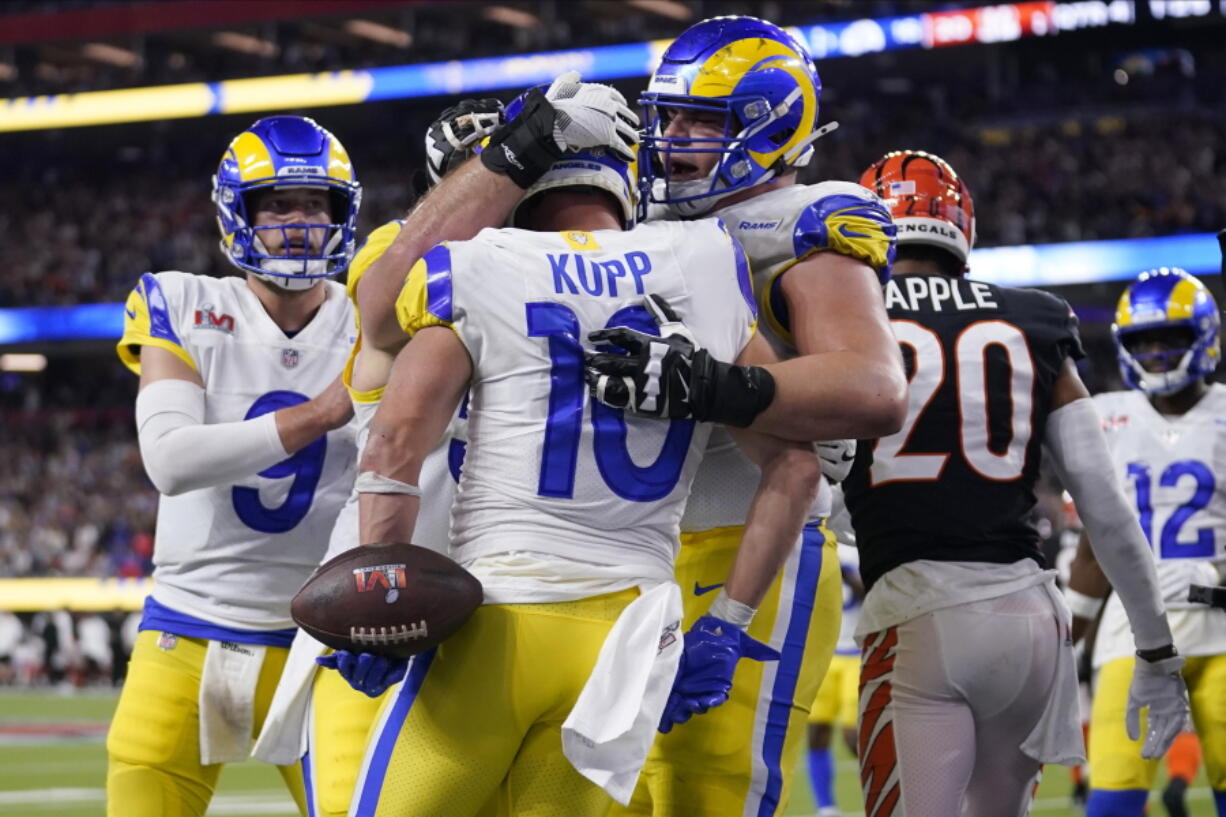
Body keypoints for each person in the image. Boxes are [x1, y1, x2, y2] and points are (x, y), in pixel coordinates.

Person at [330, 131, 824, 817]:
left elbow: (392, 443)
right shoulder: (703, 264)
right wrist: (727, 624)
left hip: (504, 619)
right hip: (628, 638)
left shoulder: (479, 263)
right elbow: (797, 464)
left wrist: (376, 593)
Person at [252, 78, 642, 817]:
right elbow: (388, 300)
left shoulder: (584, 292)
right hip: (387, 617)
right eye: (483, 181)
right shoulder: (399, 265)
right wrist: (518, 150)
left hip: (514, 628)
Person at [581, 16, 906, 816]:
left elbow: (873, 386)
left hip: (754, 544)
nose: (673, 138)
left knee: (709, 794)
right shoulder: (643, 224)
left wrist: (713, 386)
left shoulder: (803, 219)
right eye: (669, 116)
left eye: (703, 120)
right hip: (632, 547)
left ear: (771, 125)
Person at [834, 150, 1187, 817]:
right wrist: (1156, 648)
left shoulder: (846, 316)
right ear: (960, 225)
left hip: (915, 618)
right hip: (1028, 625)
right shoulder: (1034, 318)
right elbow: (1106, 508)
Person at [105, 115, 361, 817]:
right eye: (278, 203)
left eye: (317, 204)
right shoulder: (182, 301)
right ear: (240, 213)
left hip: (325, 640)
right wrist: (321, 413)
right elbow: (170, 459)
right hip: (187, 627)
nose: (301, 222)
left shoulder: (375, 315)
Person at [1064, 266, 1225, 817]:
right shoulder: (1105, 417)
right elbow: (1093, 547)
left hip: (1223, 629)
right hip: (1131, 637)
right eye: (1144, 342)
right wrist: (1063, 649)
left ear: (1203, 338)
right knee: (1110, 801)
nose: (1156, 354)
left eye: (1171, 339)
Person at [807, 492, 863, 817]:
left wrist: (846, 576)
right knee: (817, 732)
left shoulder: (861, 546)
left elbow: (869, 595)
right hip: (825, 653)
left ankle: (883, 798)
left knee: (854, 739)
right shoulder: (820, 542)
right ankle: (826, 808)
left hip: (857, 652)